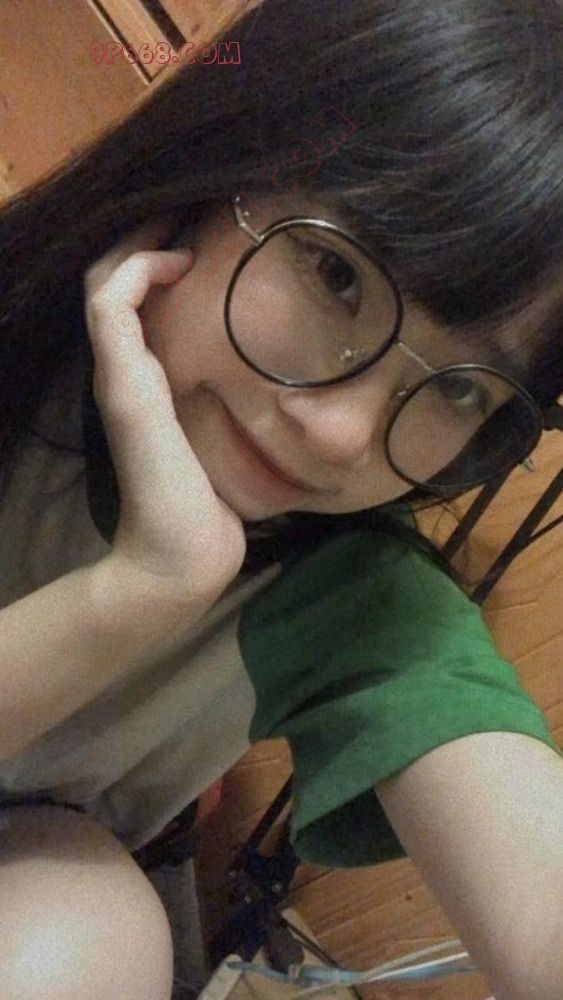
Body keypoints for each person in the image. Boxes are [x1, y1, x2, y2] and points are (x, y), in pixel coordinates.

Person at [0, 0, 562, 997]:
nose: (341, 434)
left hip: (36, 859)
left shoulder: (348, 591)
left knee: (87, 935)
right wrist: (131, 592)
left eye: (460, 388)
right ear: (214, 164)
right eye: (334, 275)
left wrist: (160, 580)